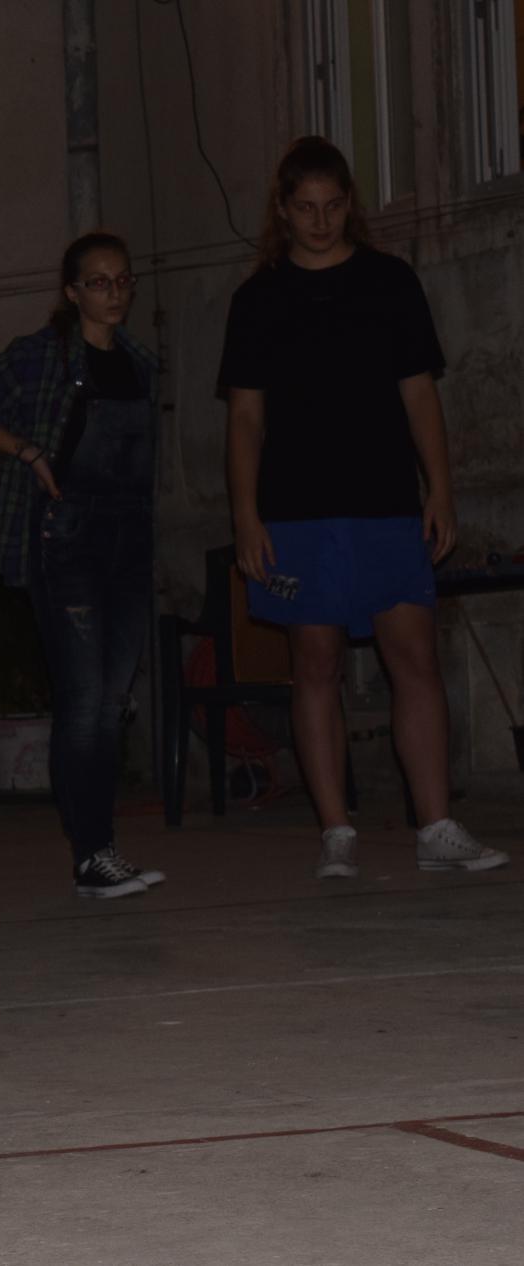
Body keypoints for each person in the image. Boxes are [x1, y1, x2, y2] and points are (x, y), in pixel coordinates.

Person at [219, 137, 508, 878]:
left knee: (414, 658)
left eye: (333, 206)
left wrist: (441, 489)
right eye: (306, 208)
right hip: (297, 511)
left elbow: (420, 394)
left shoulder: (389, 282)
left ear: (350, 204)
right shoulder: (258, 299)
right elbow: (245, 417)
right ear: (283, 210)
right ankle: (336, 832)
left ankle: (435, 825)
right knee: (314, 664)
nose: (320, 221)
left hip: (385, 503)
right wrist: (245, 516)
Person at [0, 231, 167, 899]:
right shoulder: (40, 356)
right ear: (72, 292)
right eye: (99, 282)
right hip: (65, 538)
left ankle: (103, 850)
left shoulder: (142, 363)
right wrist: (27, 451)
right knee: (85, 700)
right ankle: (92, 853)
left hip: (128, 538)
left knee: (113, 701)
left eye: (123, 281)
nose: (114, 293)